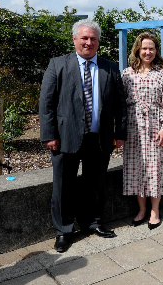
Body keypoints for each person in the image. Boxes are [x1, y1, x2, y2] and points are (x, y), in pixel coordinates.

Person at [40, 19, 127, 253]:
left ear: (98, 42)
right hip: (65, 137)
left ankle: (93, 223)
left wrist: (121, 133)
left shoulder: (110, 67)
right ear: (74, 40)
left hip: (99, 138)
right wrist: (49, 135)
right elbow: (46, 103)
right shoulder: (57, 65)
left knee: (95, 184)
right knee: (63, 186)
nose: (89, 42)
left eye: (93, 39)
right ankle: (64, 231)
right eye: (84, 38)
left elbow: (120, 104)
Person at [122, 33, 163, 230]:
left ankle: (155, 211)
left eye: (151, 48)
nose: (148, 52)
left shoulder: (162, 74)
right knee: (136, 169)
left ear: (156, 51)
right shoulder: (127, 73)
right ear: (137, 50)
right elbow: (121, 102)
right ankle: (141, 209)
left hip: (155, 128)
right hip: (133, 128)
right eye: (144, 48)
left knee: (155, 170)